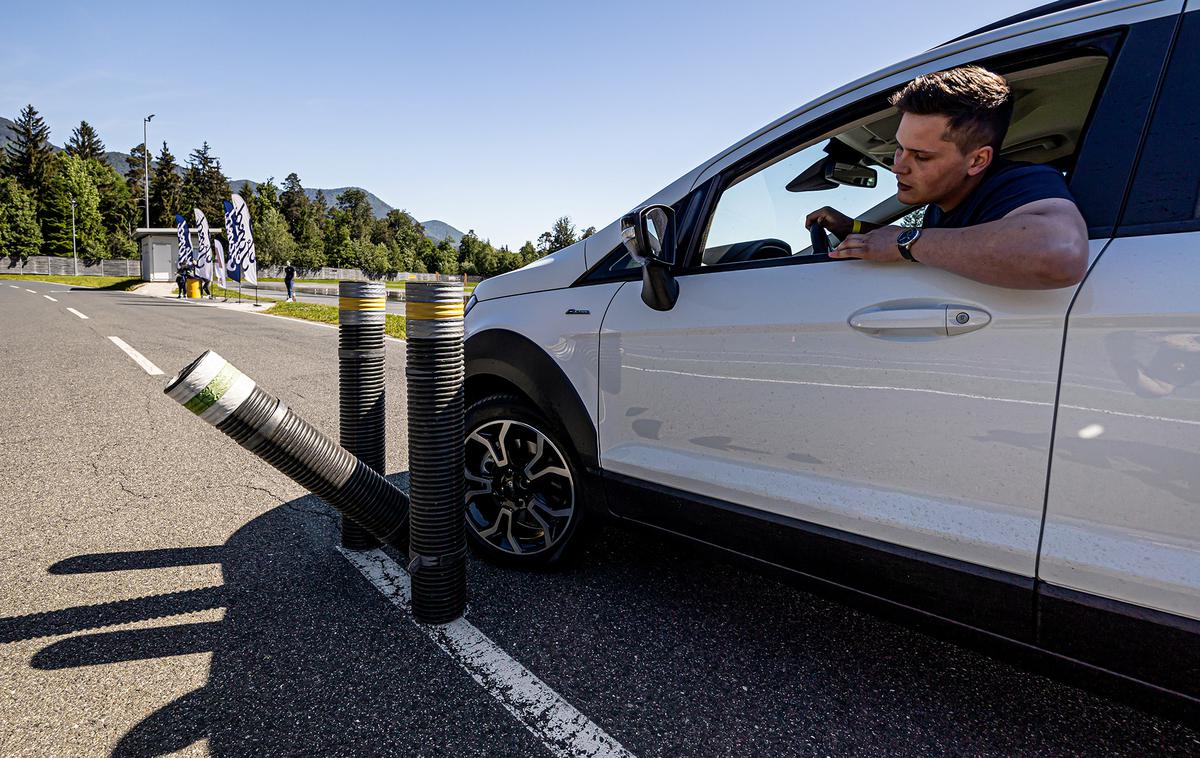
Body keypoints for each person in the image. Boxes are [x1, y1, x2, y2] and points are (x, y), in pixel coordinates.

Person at [805, 65, 1088, 289]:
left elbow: (1060, 253)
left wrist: (907, 242)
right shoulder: (941, 208)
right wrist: (851, 227)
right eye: (900, 149)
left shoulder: (1024, 182)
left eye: (921, 156)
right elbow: (916, 241)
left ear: (977, 160)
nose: (898, 167)